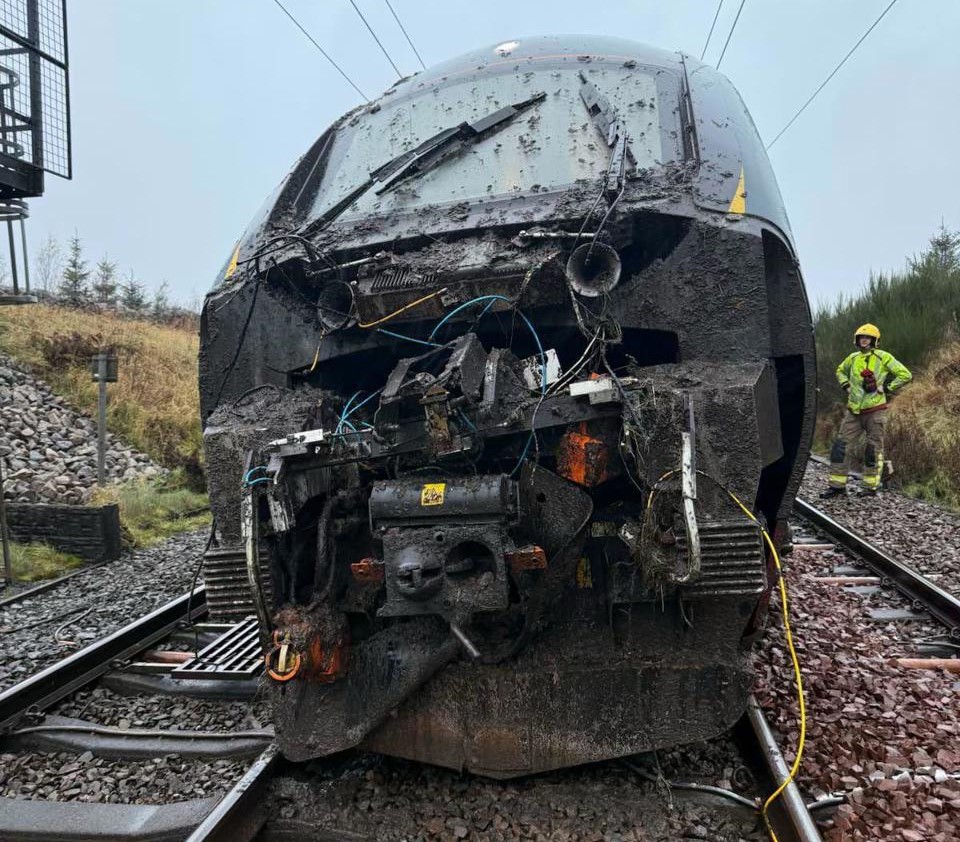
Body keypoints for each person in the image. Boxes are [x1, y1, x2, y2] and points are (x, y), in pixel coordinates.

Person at [822, 323, 912, 498]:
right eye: (861, 337)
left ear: (874, 340)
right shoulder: (853, 358)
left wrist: (886, 387)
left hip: (875, 411)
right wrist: (846, 385)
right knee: (840, 447)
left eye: (867, 337)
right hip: (853, 412)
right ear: (857, 340)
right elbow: (840, 370)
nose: (864, 340)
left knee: (873, 449)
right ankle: (837, 487)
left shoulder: (883, 357)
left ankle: (870, 488)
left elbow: (905, 374)